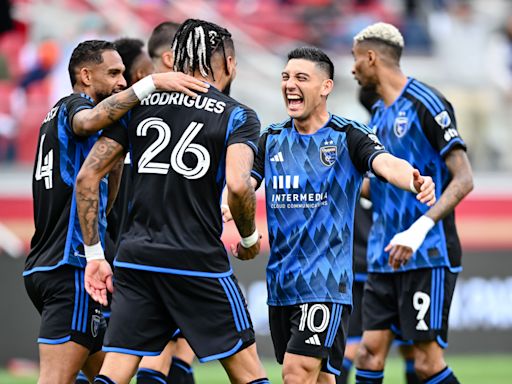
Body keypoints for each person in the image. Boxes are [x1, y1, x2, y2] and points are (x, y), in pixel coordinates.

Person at [75, 19, 269, 384]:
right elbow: (239, 187)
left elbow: (87, 177)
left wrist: (95, 256)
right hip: (196, 260)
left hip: (136, 259)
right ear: (229, 63)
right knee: (249, 372)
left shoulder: (137, 106)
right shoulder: (237, 114)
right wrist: (247, 239)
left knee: (115, 370)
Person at [23, 39, 207, 384]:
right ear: (86, 76)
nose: (122, 81)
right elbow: (89, 121)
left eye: (125, 73)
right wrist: (151, 84)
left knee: (107, 375)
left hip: (55, 264)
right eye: (114, 73)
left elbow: (101, 179)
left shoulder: (58, 120)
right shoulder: (74, 107)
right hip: (72, 267)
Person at [248, 46, 435, 384]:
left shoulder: (347, 136)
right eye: (286, 77)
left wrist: (413, 178)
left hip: (324, 282)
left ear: (326, 87)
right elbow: (244, 184)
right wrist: (226, 210)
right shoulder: (271, 140)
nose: (290, 84)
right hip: (281, 282)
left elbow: (384, 162)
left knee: (296, 373)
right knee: (321, 377)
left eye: (301, 78)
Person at [351, 22, 473, 384]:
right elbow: (377, 188)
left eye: (356, 60)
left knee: (425, 363)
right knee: (368, 354)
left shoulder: (426, 102)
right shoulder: (378, 116)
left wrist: (418, 230)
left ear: (371, 58)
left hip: (427, 254)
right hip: (382, 256)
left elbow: (464, 178)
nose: (353, 69)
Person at [113, 34, 197, 384]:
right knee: (158, 350)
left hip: (133, 248)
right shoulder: (138, 117)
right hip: (157, 248)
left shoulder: (126, 120)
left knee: (173, 347)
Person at [336, 88, 420, 384]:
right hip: (377, 263)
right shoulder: (384, 152)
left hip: (373, 261)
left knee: (369, 347)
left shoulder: (358, 150)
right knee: (392, 348)